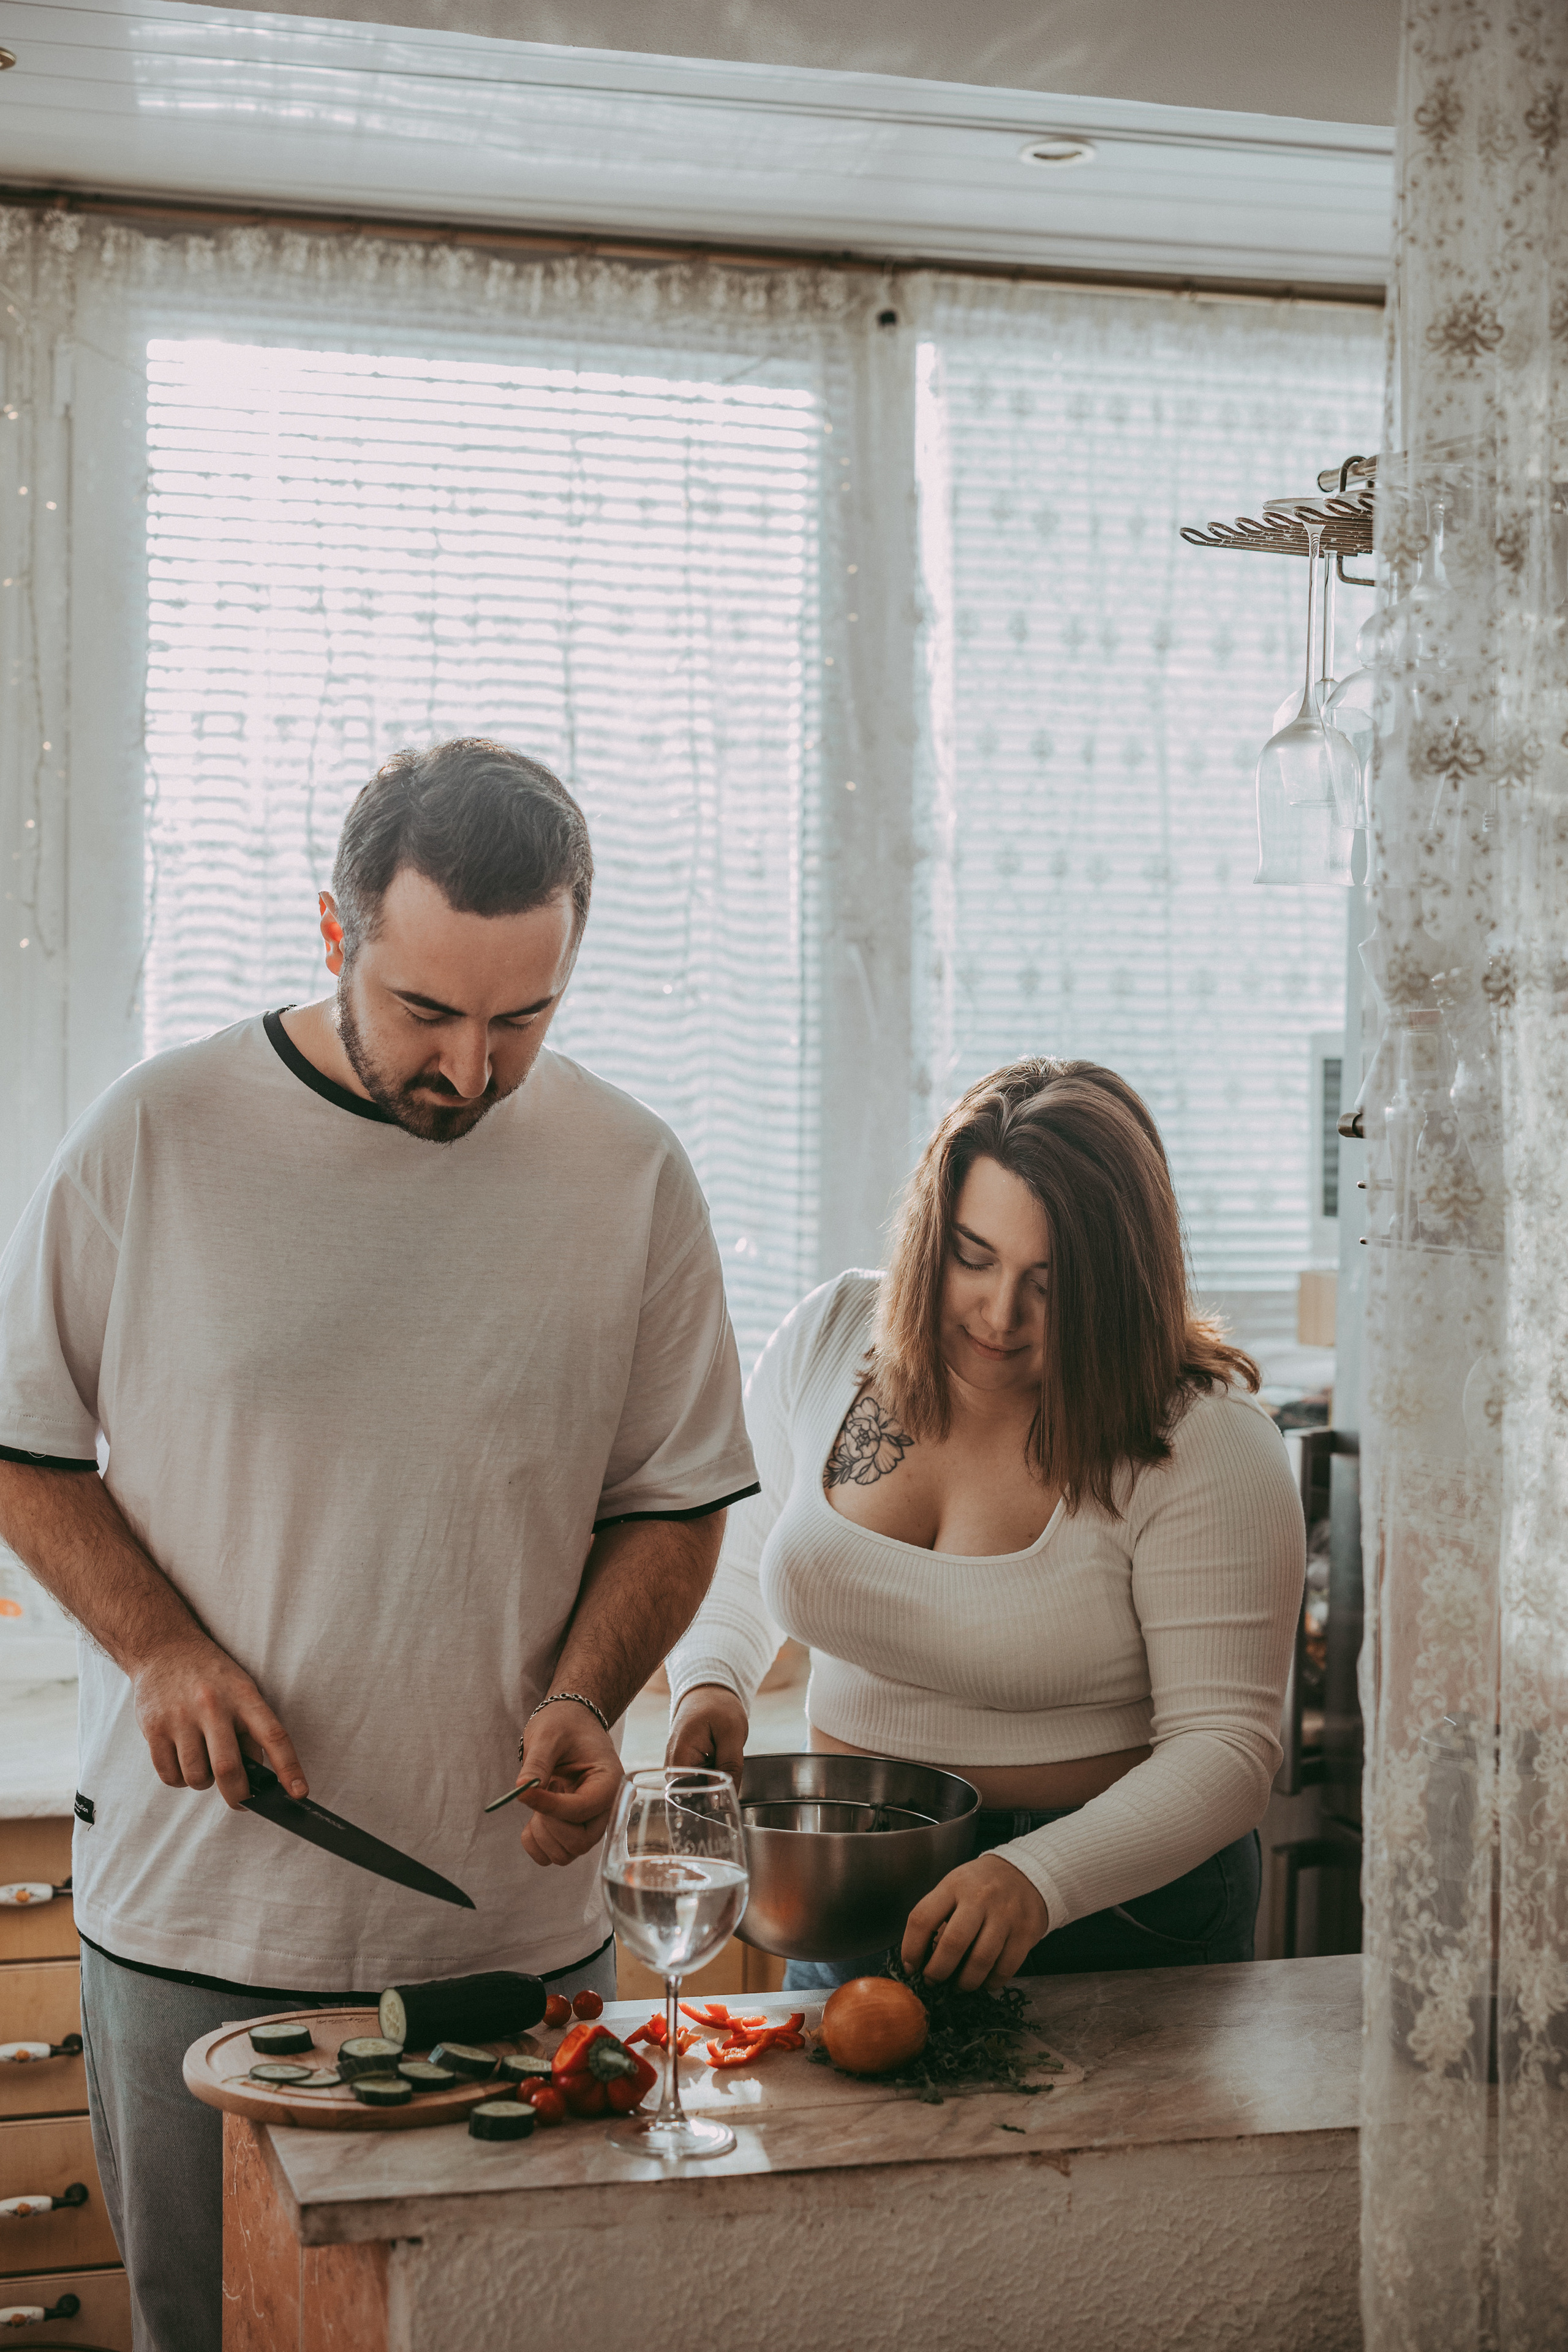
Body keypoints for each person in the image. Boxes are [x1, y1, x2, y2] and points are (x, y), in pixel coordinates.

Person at [0, 739, 756, 2352]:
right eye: (428, 1012)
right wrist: (166, 1649)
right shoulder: (158, 1138)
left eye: (521, 1019)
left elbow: (672, 1503)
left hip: (510, 1937)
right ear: (337, 937)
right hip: (205, 1924)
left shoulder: (631, 1177)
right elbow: (25, 1452)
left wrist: (584, 1697)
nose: (473, 1071)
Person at [666, 1059, 1304, 1992]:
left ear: (1124, 1281)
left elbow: (1229, 1753)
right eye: (974, 1258)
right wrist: (712, 1683)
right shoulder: (834, 1333)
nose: (1001, 1316)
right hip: (848, 1870)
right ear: (932, 1234)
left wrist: (1036, 1878)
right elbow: (739, 1551)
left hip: (1112, 1903)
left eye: (1053, 1283)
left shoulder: (1205, 1439)